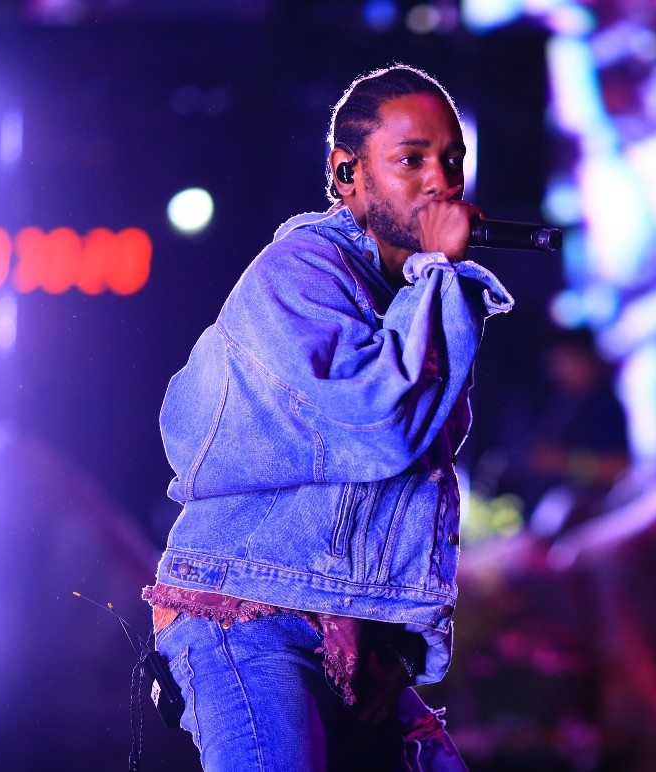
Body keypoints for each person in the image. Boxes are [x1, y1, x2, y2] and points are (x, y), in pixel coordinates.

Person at [142, 64, 513, 771]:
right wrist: (440, 270)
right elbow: (383, 424)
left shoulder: (409, 293)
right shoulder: (298, 272)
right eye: (411, 160)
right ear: (347, 174)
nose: (441, 181)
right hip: (248, 614)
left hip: (349, 625)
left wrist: (393, 642)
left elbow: (406, 491)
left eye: (452, 160)